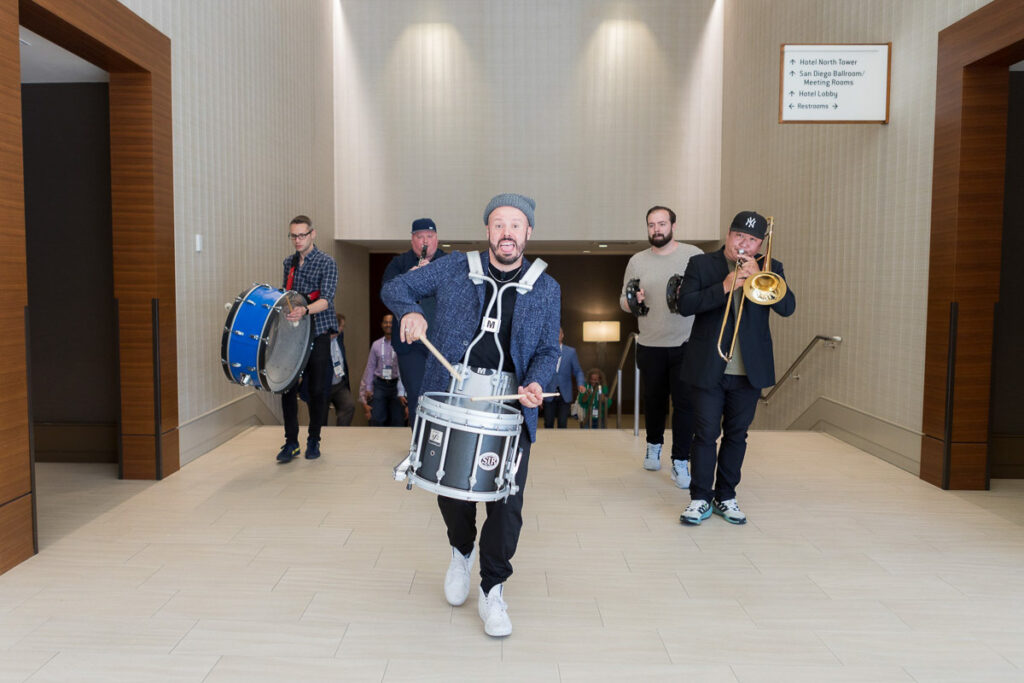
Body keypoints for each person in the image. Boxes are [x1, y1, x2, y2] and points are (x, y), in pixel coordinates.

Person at [382, 192, 559, 638]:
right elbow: (397, 286)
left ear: (528, 233)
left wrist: (536, 381)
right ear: (488, 230)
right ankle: (462, 550)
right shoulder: (457, 266)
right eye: (499, 224)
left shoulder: (546, 286)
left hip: (508, 405)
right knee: (452, 489)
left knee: (506, 501)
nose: (507, 233)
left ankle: (493, 587)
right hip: (451, 395)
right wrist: (411, 313)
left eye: (515, 226)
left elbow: (547, 349)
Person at [675, 211, 795, 526]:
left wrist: (762, 274)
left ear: (760, 244)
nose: (744, 244)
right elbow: (685, 305)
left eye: (752, 240)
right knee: (705, 435)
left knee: (737, 435)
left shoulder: (772, 267)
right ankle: (700, 498)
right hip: (709, 366)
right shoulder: (702, 264)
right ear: (728, 234)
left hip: (748, 370)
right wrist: (725, 286)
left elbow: (787, 307)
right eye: (739, 236)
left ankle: (725, 496)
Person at [619, 206, 702, 488]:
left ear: (673, 226)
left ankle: (681, 460)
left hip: (686, 343)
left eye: (662, 223)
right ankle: (653, 445)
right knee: (653, 402)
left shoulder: (693, 255)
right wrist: (633, 299)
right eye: (652, 224)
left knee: (685, 404)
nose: (657, 229)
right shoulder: (637, 260)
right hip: (650, 343)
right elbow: (623, 300)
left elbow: (705, 296)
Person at [277, 215, 338, 463]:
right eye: (293, 236)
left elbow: (327, 299)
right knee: (286, 387)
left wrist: (305, 310)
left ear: (312, 234)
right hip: (293, 335)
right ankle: (291, 442)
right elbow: (286, 294)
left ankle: (314, 439)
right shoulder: (288, 263)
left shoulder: (327, 262)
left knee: (315, 390)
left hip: (318, 331)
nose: (297, 240)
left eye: (302, 235)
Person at [381, 218, 448, 423]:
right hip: (409, 343)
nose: (425, 241)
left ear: (436, 239)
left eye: (429, 236)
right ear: (412, 240)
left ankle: (439, 446)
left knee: (442, 396)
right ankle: (419, 445)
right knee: (416, 393)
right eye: (420, 237)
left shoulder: (447, 262)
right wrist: (411, 277)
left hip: (441, 341)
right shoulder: (399, 263)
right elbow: (386, 291)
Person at [359, 313, 407, 426]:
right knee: (376, 419)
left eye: (391, 322)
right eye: (386, 322)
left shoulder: (401, 344)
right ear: (382, 325)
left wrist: (403, 391)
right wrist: (368, 387)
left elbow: (404, 369)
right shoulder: (376, 345)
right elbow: (370, 367)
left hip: (396, 385)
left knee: (398, 420)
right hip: (380, 384)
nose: (388, 324)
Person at [541, 327, 584, 429]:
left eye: (558, 333)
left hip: (564, 392)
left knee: (562, 422)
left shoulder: (571, 352)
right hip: (549, 390)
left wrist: (580, 384)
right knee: (548, 422)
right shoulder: (544, 351)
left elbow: (578, 370)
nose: (556, 335)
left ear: (562, 335)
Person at [327, 314, 355, 426]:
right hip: (325, 385)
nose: (343, 328)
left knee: (349, 406)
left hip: (339, 384)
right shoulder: (321, 340)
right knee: (320, 415)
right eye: (342, 326)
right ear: (335, 325)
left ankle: (342, 432)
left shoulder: (339, 337)